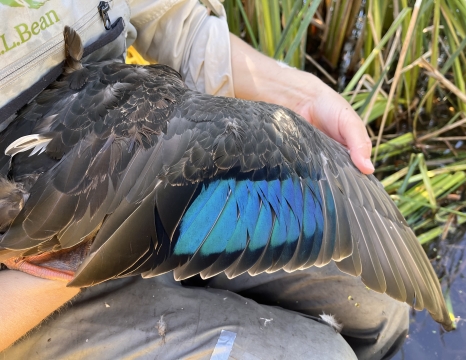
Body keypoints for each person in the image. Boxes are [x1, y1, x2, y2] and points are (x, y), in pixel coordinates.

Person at [0, 0, 408, 359]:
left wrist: (303, 98)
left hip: (128, 170)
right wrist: (69, 264)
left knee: (382, 306)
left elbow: (172, 19)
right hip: (26, 285)